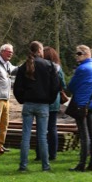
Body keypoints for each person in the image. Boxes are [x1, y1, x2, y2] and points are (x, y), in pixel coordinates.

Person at [14, 41, 59, 172]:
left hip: (28, 104)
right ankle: (45, 166)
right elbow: (55, 86)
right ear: (40, 50)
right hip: (43, 105)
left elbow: (17, 87)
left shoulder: (24, 66)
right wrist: (49, 100)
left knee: (26, 136)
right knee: (42, 137)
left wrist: (22, 100)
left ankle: (23, 166)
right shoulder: (49, 65)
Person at [68, 45, 92, 172]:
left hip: (81, 105)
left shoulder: (81, 69)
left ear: (83, 54)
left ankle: (82, 164)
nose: (76, 56)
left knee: (84, 135)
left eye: (78, 53)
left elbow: (71, 86)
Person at [35, 46, 66, 161]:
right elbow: (63, 84)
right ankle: (53, 154)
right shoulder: (58, 68)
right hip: (54, 101)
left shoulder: (39, 67)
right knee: (52, 128)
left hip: (41, 99)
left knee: (40, 128)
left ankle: (39, 154)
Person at [0, 43, 18, 152]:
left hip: (6, 98)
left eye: (12, 52)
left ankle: (0, 145)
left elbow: (15, 70)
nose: (11, 54)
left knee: (5, 123)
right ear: (2, 51)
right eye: (9, 52)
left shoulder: (7, 63)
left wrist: (26, 66)